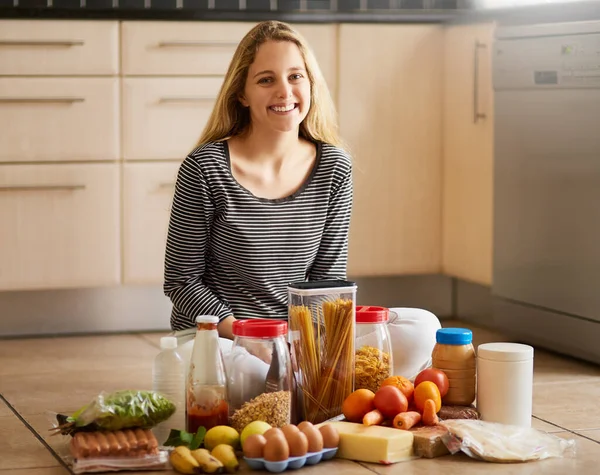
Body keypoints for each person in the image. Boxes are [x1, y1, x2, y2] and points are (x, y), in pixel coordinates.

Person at [163, 20, 352, 342]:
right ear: (242, 94)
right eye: (266, 80)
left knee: (418, 325)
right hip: (218, 336)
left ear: (310, 84)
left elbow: (328, 279)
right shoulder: (206, 167)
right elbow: (182, 281)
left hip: (292, 336)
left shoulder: (333, 166)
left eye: (295, 76)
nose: (285, 92)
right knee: (252, 373)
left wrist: (311, 346)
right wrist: (249, 338)